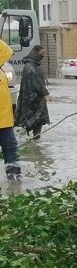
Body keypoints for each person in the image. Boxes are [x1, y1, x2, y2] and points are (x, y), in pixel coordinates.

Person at [15, 45, 50, 139]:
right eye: (42, 54)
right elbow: (36, 81)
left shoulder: (35, 65)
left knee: (39, 120)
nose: (43, 56)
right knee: (28, 121)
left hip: (37, 99)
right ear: (36, 53)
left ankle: (35, 143)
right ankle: (26, 142)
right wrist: (45, 92)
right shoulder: (29, 66)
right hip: (30, 100)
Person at [0, 39, 21, 179]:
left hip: (5, 120)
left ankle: (14, 182)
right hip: (3, 120)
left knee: (11, 148)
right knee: (10, 148)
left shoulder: (2, 71)